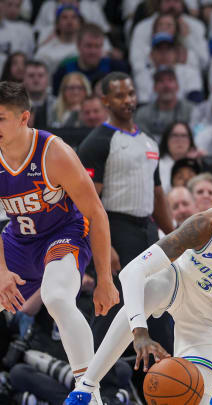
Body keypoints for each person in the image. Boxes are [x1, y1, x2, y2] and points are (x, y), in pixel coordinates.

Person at [63, 204, 212, 405]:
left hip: (209, 320)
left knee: (186, 394)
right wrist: (140, 331)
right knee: (150, 288)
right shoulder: (205, 226)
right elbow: (132, 272)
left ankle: (209, 396)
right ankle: (87, 386)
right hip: (178, 283)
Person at [0, 81, 119, 400]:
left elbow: (96, 212)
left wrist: (105, 279)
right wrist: (1, 272)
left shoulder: (56, 153)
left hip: (62, 233)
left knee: (55, 297)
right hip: (18, 239)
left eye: (0, 118)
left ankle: (88, 392)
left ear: (23, 118)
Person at [78, 72, 174, 351]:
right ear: (105, 100)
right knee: (110, 306)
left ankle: (164, 380)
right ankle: (93, 380)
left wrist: (174, 236)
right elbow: (87, 202)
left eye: (131, 93)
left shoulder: (149, 141)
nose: (128, 100)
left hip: (148, 229)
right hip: (114, 228)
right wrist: (105, 248)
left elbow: (157, 196)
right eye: (120, 95)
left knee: (157, 306)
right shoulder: (97, 142)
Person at [52, 23, 129, 95]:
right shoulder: (64, 72)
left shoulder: (117, 68)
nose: (93, 51)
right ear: (78, 46)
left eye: (97, 46)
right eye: (89, 46)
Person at [134, 66, 193, 140]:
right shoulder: (143, 113)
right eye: (161, 81)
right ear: (154, 88)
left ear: (177, 86)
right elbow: (141, 140)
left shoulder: (191, 110)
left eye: (170, 80)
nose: (166, 85)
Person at [158, 122, 202, 192]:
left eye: (184, 136)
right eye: (175, 135)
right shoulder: (157, 165)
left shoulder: (198, 164)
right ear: (166, 139)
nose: (179, 140)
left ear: (190, 140)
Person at [23, 60, 55, 130]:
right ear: (24, 79)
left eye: (40, 76)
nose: (36, 80)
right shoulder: (15, 105)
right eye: (31, 76)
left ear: (47, 79)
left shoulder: (57, 105)